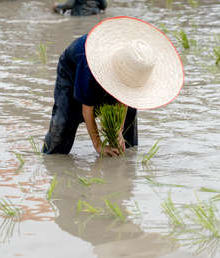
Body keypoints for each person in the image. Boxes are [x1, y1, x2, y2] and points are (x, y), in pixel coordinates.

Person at [42, 16, 184, 156]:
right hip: (73, 69)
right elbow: (87, 109)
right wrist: (98, 145)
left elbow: (124, 99)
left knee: (130, 116)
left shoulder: (136, 59)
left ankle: (125, 160)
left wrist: (118, 132)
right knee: (64, 122)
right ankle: (51, 158)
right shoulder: (90, 70)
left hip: (119, 66)